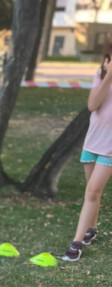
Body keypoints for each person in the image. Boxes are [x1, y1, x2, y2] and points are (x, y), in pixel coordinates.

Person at [62, 54, 112, 262]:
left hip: (110, 146)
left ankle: (77, 242)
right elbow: (92, 105)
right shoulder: (101, 74)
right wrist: (108, 76)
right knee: (92, 191)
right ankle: (92, 228)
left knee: (93, 191)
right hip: (93, 140)